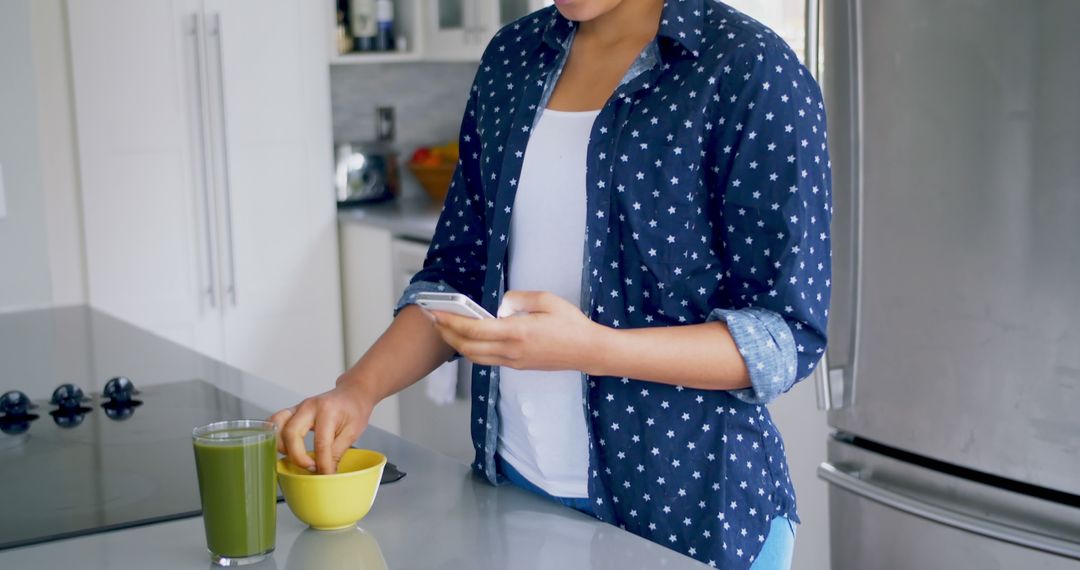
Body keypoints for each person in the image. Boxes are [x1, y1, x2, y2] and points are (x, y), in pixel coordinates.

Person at [271, 1, 830, 567]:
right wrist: (357, 390)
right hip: (518, 494)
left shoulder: (747, 67)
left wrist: (592, 350)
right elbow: (458, 275)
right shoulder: (510, 59)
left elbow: (784, 338)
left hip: (688, 515)